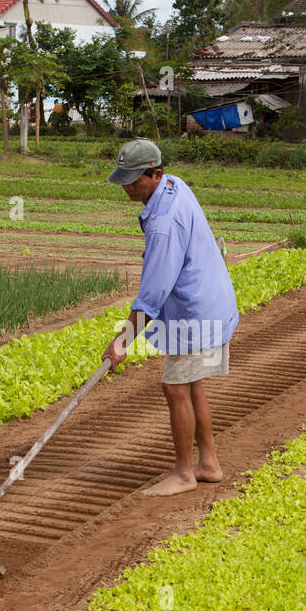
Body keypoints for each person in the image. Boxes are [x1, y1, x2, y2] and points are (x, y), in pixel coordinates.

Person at [101, 139, 239, 496]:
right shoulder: (175, 185)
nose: (128, 188)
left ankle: (183, 474)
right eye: (124, 181)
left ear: (155, 174)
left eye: (134, 181)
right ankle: (208, 463)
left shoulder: (163, 222)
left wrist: (121, 342)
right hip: (211, 303)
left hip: (196, 314)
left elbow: (152, 294)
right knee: (192, 384)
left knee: (174, 386)